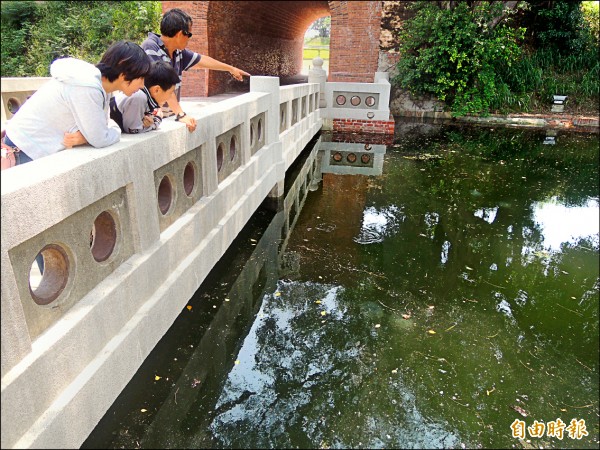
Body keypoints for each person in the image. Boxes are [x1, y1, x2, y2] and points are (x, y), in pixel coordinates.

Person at [2, 40, 151, 166]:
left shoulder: (101, 87)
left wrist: (89, 135)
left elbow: (101, 128)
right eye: (141, 78)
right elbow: (100, 138)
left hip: (29, 147)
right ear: (124, 74)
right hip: (23, 150)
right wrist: (110, 132)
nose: (142, 85)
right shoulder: (87, 87)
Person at [141, 7, 251, 132]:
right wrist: (180, 114)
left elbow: (202, 60)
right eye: (189, 34)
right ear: (180, 34)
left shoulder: (178, 52)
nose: (189, 38)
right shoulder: (150, 47)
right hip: (148, 118)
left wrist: (231, 69)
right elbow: (162, 83)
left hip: (165, 118)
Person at [110, 60, 180, 134]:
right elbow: (133, 129)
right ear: (156, 90)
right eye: (171, 92)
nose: (171, 96)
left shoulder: (144, 96)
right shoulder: (139, 97)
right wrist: (156, 121)